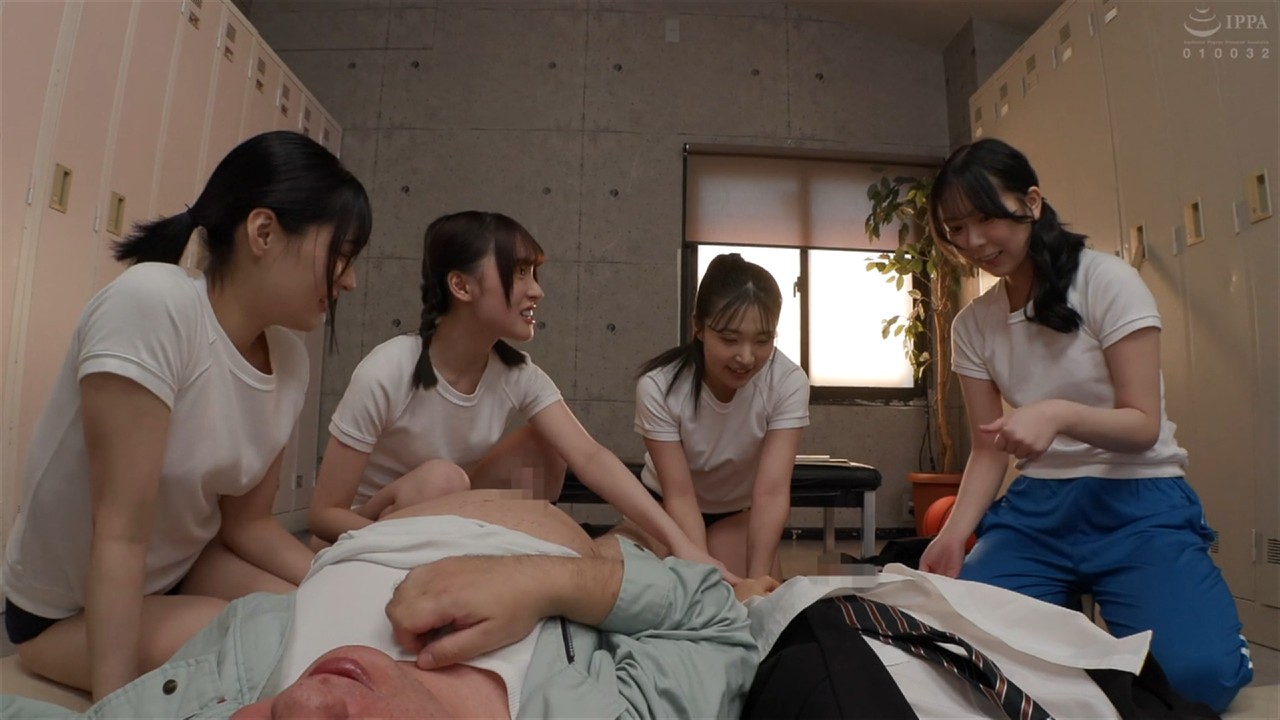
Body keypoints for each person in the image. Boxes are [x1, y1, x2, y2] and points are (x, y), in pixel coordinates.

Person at [0, 130, 372, 700]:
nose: (348, 280)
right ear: (264, 232)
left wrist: (344, 583)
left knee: (332, 623)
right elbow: (120, 534)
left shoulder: (290, 358)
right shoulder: (153, 305)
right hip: (67, 612)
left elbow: (247, 524)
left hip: (184, 569)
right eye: (340, 255)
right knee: (259, 650)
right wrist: (116, 708)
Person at [917, 137, 1252, 711]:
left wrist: (1058, 414)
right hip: (1038, 514)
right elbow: (989, 448)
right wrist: (951, 535)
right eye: (956, 229)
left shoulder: (1106, 281)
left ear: (1031, 202)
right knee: (972, 659)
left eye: (986, 218)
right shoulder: (973, 324)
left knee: (1198, 681)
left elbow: (1142, 425)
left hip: (1137, 501)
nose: (972, 242)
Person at [0, 491, 760, 719]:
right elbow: (712, 621)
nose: (302, 704)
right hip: (535, 540)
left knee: (35, 648)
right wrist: (548, 583)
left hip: (331, 572)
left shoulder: (226, 697)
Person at [308, 210, 731, 579]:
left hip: (448, 513)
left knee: (545, 444)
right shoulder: (387, 370)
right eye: (520, 272)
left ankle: (487, 551)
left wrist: (681, 544)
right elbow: (323, 517)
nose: (537, 291)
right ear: (461, 286)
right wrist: (413, 538)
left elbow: (590, 457)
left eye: (535, 274)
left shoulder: (517, 374)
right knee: (443, 478)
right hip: (371, 530)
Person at [627, 253, 808, 579]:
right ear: (698, 326)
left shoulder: (787, 382)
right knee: (668, 588)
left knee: (750, 595)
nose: (746, 357)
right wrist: (702, 573)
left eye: (763, 340)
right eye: (729, 339)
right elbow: (680, 495)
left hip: (736, 513)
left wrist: (756, 584)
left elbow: (771, 493)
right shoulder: (659, 387)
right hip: (665, 507)